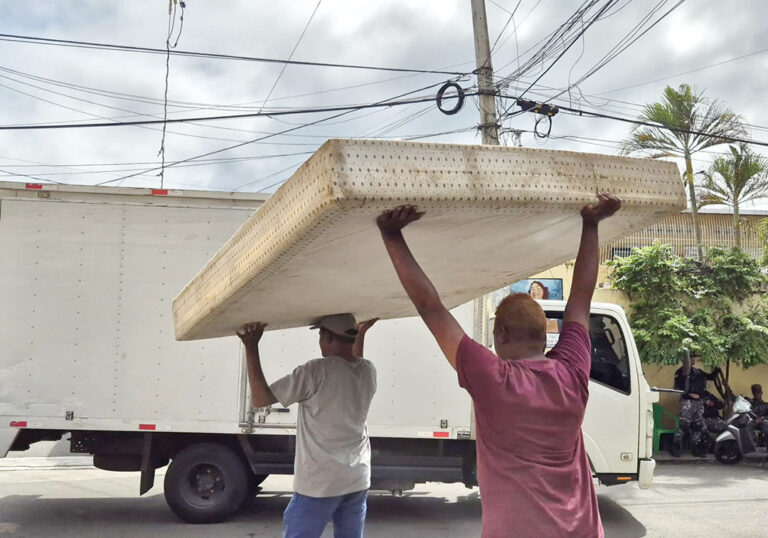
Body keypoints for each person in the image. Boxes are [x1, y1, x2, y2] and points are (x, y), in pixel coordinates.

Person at [377, 193, 621, 538]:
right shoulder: (573, 372)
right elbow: (581, 299)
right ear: (543, 336)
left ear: (502, 334)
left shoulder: (493, 379)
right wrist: (591, 224)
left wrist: (391, 235)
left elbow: (431, 307)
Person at [237, 314, 377, 538]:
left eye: (321, 335)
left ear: (328, 336)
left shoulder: (315, 371)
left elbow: (261, 399)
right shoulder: (368, 371)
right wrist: (361, 335)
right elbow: (353, 361)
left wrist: (251, 347)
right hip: (356, 479)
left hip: (320, 483)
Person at [670, 356, 720, 457]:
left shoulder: (698, 372)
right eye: (690, 358)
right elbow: (677, 388)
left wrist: (717, 368)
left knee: (697, 425)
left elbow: (710, 377)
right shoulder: (680, 372)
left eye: (693, 358)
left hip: (699, 402)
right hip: (688, 401)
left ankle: (695, 447)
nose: (693, 360)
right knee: (684, 424)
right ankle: (674, 445)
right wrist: (689, 394)